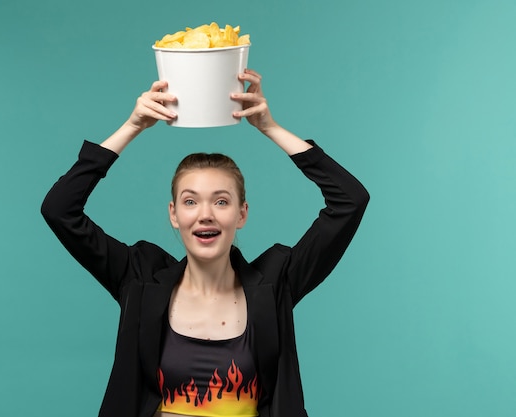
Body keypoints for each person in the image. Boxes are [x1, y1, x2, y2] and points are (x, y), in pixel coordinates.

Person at [41, 69, 369, 417]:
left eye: (222, 201)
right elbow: (60, 209)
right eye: (190, 201)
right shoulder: (139, 278)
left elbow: (349, 201)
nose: (205, 215)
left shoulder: (276, 284)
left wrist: (269, 127)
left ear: (241, 214)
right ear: (174, 214)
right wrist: (132, 126)